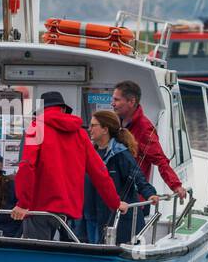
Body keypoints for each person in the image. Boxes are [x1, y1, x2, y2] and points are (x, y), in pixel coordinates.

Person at [12, 91, 126, 241]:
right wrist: (115, 202)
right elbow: (100, 172)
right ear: (64, 110)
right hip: (70, 212)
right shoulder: (80, 134)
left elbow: (27, 166)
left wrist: (23, 203)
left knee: (37, 259)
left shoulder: (35, 128)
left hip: (39, 210)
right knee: (70, 255)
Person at [81, 109, 158, 244]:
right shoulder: (91, 153)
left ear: (105, 129)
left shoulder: (120, 154)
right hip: (91, 216)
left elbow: (137, 177)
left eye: (93, 126)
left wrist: (150, 194)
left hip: (115, 219)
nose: (89, 129)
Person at [110, 80, 188, 200]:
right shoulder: (114, 123)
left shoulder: (144, 128)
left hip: (131, 197)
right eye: (113, 99)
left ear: (131, 102)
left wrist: (176, 186)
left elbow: (160, 160)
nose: (112, 103)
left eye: (116, 100)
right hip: (112, 193)